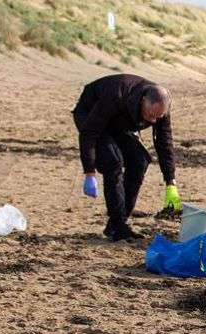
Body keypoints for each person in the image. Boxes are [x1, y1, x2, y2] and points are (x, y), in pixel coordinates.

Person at [72, 74, 180, 241]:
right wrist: (89, 172)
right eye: (151, 115)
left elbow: (164, 142)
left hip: (118, 121)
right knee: (113, 161)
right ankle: (116, 224)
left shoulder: (160, 109)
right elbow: (89, 133)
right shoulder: (116, 94)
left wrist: (170, 181)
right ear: (143, 100)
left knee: (140, 160)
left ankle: (120, 222)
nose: (153, 120)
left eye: (157, 117)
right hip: (90, 113)